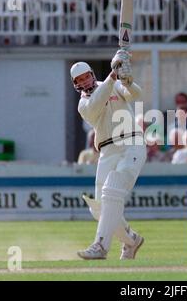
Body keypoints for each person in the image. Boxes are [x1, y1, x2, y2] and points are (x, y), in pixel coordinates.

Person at [71, 49, 146, 260]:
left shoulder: (114, 84)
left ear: (92, 75)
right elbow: (96, 104)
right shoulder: (83, 105)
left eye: (86, 76)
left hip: (131, 144)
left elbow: (137, 95)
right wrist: (113, 76)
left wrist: (128, 79)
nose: (85, 81)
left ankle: (101, 246)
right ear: (75, 83)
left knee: (112, 190)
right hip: (107, 151)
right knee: (98, 209)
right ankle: (131, 240)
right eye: (80, 79)